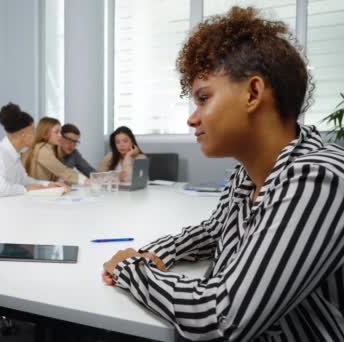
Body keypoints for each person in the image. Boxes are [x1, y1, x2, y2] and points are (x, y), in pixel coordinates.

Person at [102, 7, 344, 341]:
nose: (192, 118)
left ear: (253, 93)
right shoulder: (247, 175)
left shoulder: (319, 180)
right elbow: (214, 231)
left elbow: (219, 317)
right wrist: (159, 252)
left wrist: (130, 268)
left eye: (204, 98)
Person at [0, 102, 66, 197]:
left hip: (6, 205)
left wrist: (48, 185)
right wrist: (26, 188)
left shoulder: (14, 155)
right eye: (33, 132)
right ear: (23, 134)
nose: (36, 136)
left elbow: (24, 180)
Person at [22, 117, 88, 185]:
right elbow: (62, 170)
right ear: (45, 134)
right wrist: (86, 181)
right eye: (56, 132)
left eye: (60, 132)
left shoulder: (49, 149)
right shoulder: (42, 149)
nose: (60, 136)